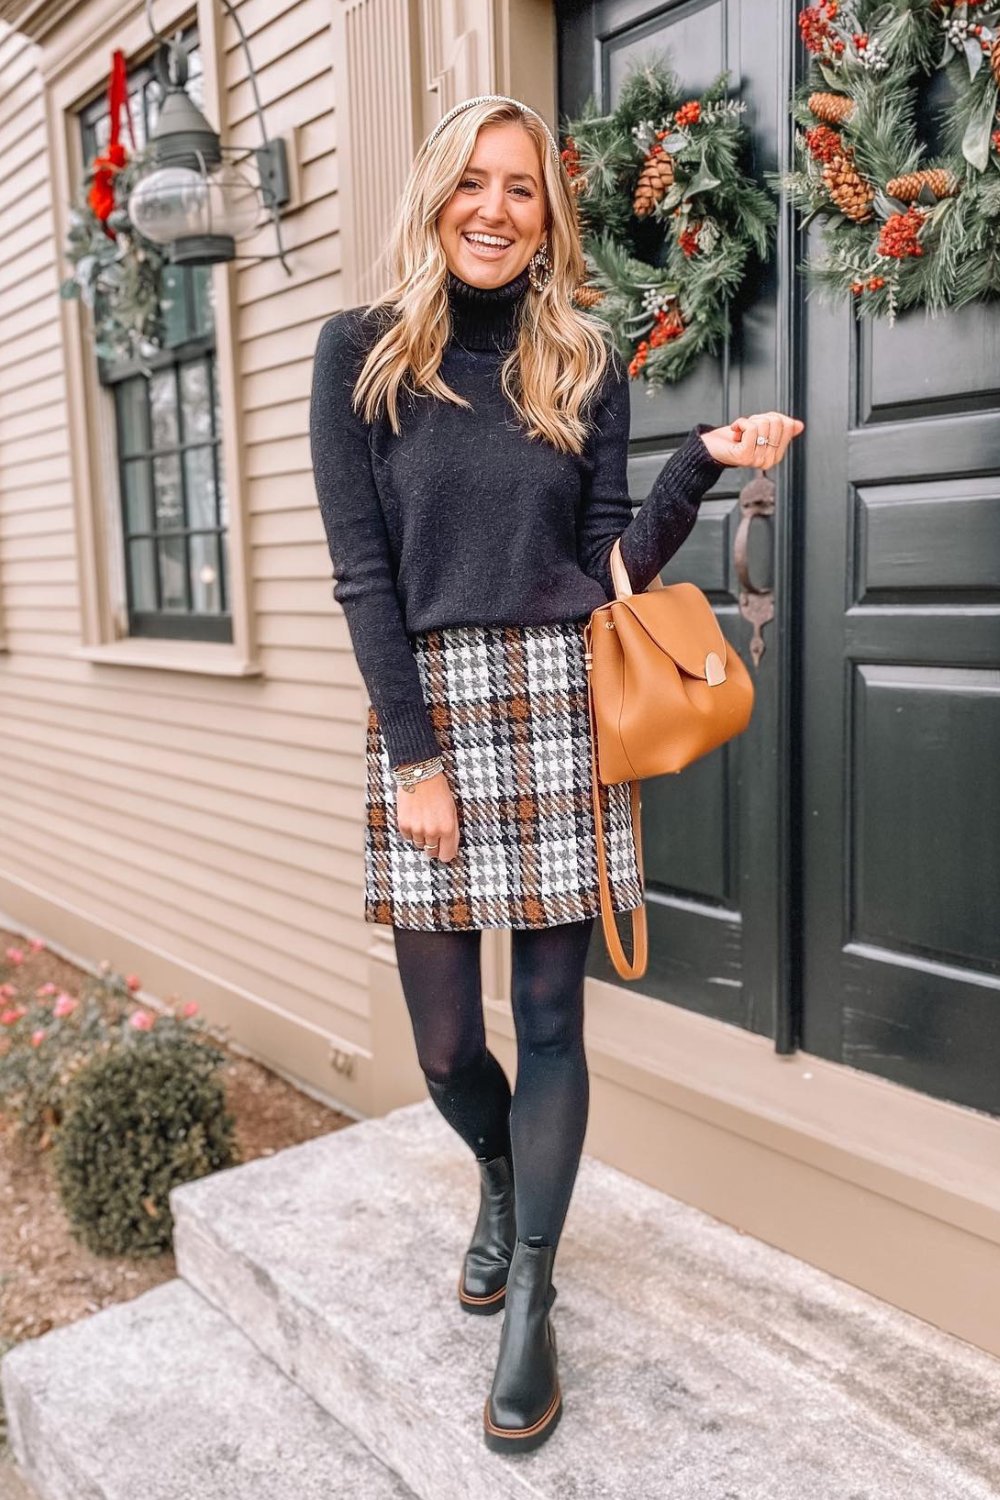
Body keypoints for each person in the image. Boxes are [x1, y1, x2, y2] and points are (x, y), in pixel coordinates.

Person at [309, 92, 803, 1455]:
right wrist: (412, 754)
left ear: (548, 216)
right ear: (435, 197)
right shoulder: (358, 357)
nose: (495, 207)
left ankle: (532, 1292)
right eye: (475, 181)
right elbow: (362, 576)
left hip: (558, 706)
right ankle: (497, 1171)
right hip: (425, 715)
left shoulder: (578, 358)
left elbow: (605, 574)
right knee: (450, 1043)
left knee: (550, 1026)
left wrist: (699, 466)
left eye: (522, 188)